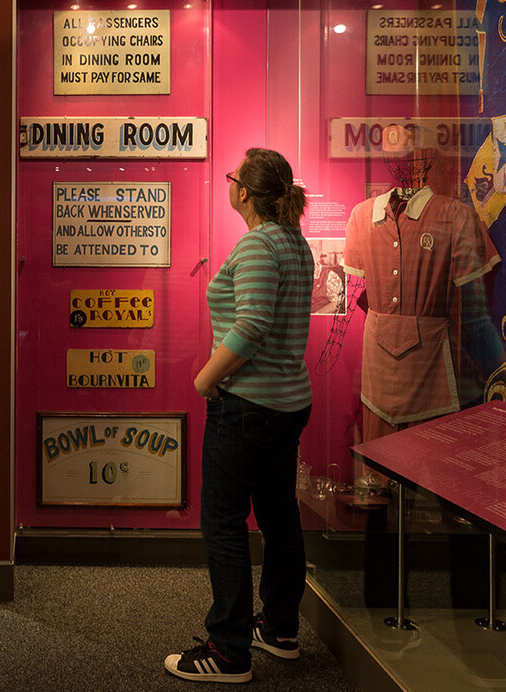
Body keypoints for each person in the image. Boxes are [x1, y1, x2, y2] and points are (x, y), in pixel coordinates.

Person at [164, 148, 313, 684]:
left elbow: (250, 326)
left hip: (247, 403)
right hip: (288, 402)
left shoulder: (256, 244)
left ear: (244, 192)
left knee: (223, 521)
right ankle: (279, 628)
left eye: (233, 179)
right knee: (277, 517)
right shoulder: (294, 242)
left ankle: (228, 650)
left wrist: (206, 378)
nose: (229, 185)